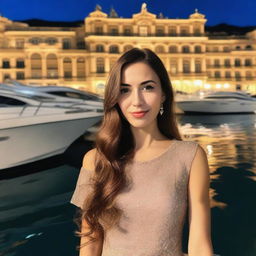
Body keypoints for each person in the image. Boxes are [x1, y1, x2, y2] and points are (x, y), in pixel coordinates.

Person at [70, 47, 214, 256]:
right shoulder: (95, 160)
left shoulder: (190, 156)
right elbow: (90, 244)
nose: (137, 100)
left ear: (163, 93)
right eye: (124, 89)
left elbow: (200, 245)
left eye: (147, 87)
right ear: (115, 98)